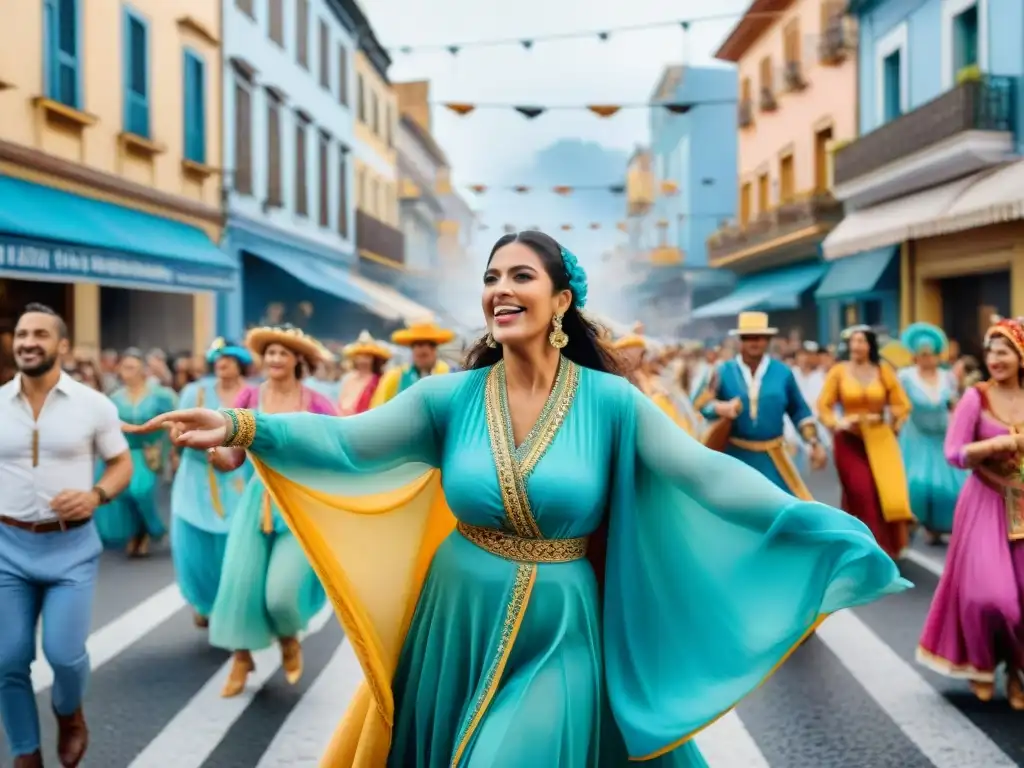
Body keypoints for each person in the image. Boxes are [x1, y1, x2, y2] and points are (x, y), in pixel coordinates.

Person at [130, 230, 909, 767]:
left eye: (520, 276)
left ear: (562, 299)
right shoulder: (448, 398)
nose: (501, 289)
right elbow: (345, 443)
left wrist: (821, 526)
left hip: (564, 623)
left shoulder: (612, 402)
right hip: (456, 614)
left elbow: (706, 477)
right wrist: (239, 421)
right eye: (492, 278)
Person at [0, 304, 132, 768]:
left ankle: (68, 711)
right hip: (7, 549)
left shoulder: (95, 404)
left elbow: (121, 463)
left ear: (62, 346)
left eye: (39, 334)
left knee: (64, 653)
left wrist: (96, 495)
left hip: (70, 548)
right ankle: (25, 752)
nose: (27, 342)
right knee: (7, 659)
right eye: (21, 334)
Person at [201, 325, 336, 697]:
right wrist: (213, 453)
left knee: (282, 595)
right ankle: (241, 659)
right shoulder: (248, 397)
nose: (275, 359)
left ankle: (289, 637)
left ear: (299, 361)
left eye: (283, 353)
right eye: (271, 353)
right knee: (240, 584)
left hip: (299, 505)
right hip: (256, 503)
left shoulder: (317, 403)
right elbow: (232, 458)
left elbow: (339, 451)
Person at [917, 318, 1024, 708]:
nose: (995, 359)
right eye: (991, 350)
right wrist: (996, 446)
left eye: (1004, 351)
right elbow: (954, 452)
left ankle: (1015, 672)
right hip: (984, 500)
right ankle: (981, 663)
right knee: (992, 597)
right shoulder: (975, 398)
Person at [170, 338, 254, 627]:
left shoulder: (253, 395)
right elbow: (176, 430)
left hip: (239, 478)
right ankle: (204, 601)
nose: (222, 362)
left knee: (236, 548)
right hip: (196, 478)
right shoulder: (195, 392)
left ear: (240, 362)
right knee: (195, 549)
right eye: (217, 358)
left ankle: (233, 605)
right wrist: (178, 437)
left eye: (228, 358)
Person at [700, 312, 827, 500]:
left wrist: (814, 443)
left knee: (787, 511)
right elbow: (701, 404)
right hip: (734, 458)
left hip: (774, 459)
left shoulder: (783, 372)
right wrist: (720, 408)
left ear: (767, 340)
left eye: (759, 337)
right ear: (740, 340)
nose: (754, 342)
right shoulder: (722, 371)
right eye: (748, 337)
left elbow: (800, 411)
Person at [818, 325, 914, 559]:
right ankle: (872, 548)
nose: (857, 345)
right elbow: (823, 405)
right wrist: (837, 422)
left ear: (870, 345)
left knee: (883, 491)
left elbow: (902, 405)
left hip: (880, 439)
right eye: (853, 341)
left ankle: (871, 545)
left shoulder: (883, 371)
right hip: (848, 440)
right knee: (861, 490)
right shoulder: (838, 371)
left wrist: (891, 422)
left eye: (861, 341)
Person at [93, 348, 176, 557]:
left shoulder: (160, 395)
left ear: (143, 371)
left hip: (147, 452)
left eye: (133, 367)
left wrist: (171, 448)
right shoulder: (115, 398)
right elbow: (105, 426)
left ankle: (152, 529)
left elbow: (173, 420)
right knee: (124, 493)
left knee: (141, 490)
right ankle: (136, 533)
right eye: (124, 367)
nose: (128, 372)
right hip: (123, 451)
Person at [897, 323, 967, 545]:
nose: (927, 358)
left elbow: (956, 403)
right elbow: (897, 404)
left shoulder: (948, 377)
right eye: (922, 354)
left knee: (947, 487)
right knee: (917, 484)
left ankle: (938, 527)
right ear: (915, 355)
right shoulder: (906, 377)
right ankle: (914, 522)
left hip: (942, 435)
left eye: (931, 354)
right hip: (916, 436)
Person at [370, 319, 454, 406]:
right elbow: (378, 407)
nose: (422, 351)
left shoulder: (447, 375)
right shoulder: (396, 376)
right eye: (418, 345)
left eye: (425, 354)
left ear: (434, 349)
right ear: (412, 349)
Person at [337, 331, 390, 416]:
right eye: (360, 355)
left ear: (375, 360)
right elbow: (340, 403)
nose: (363, 360)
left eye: (367, 356)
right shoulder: (347, 378)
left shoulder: (380, 380)